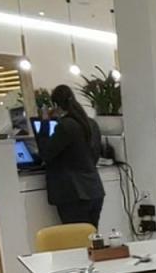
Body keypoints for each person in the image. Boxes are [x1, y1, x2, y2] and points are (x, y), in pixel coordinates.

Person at [35, 84, 105, 227]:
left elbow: (46, 153)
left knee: (76, 241)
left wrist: (44, 123)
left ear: (55, 105)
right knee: (91, 238)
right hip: (93, 189)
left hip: (73, 193)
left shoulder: (65, 126)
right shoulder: (91, 123)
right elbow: (94, 155)